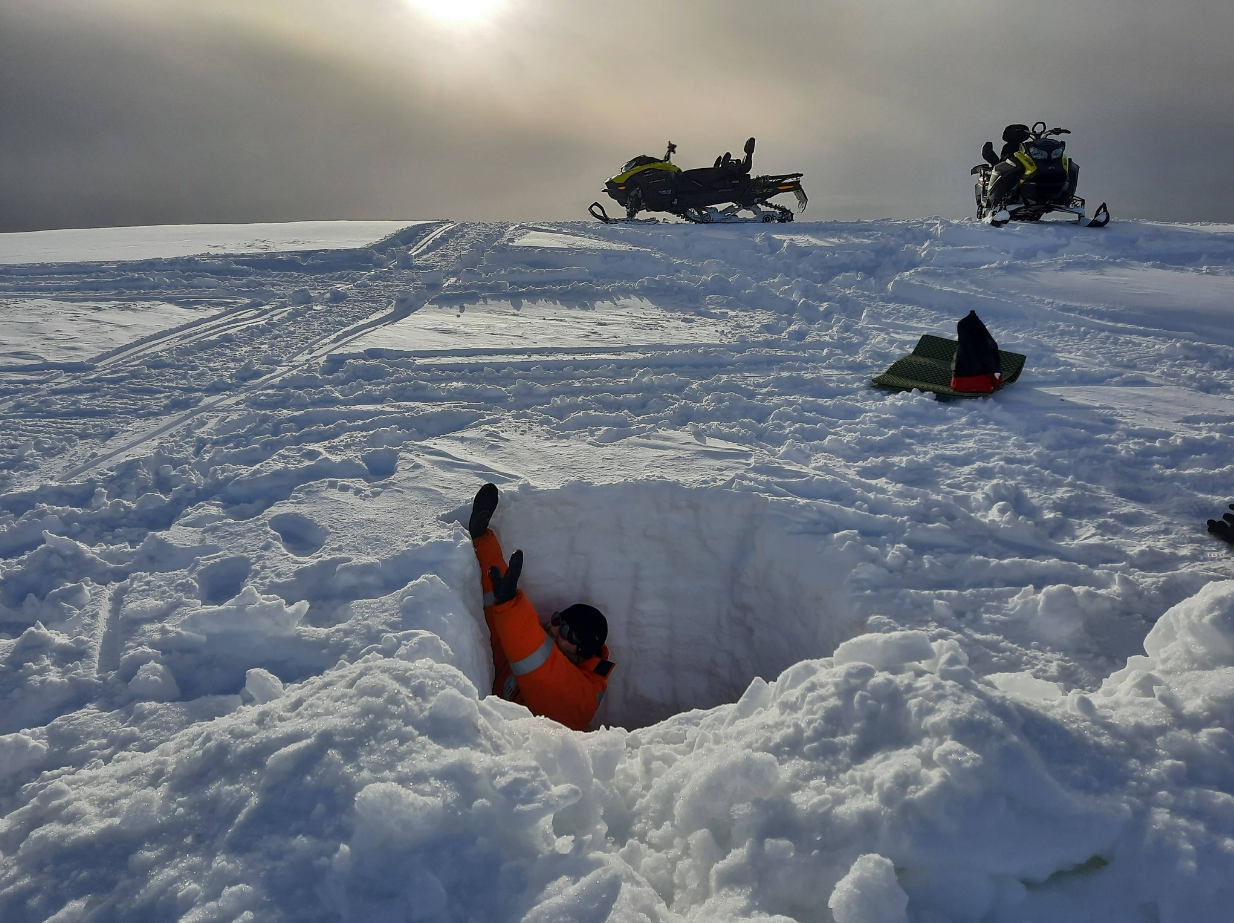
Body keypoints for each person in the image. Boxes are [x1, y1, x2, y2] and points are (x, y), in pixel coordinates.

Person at [467, 483, 614, 731]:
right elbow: (499, 618)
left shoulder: (583, 696)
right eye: (559, 621)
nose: (555, 631)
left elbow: (544, 668)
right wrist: (483, 540)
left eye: (568, 634)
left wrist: (511, 606)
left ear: (583, 653)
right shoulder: (527, 640)